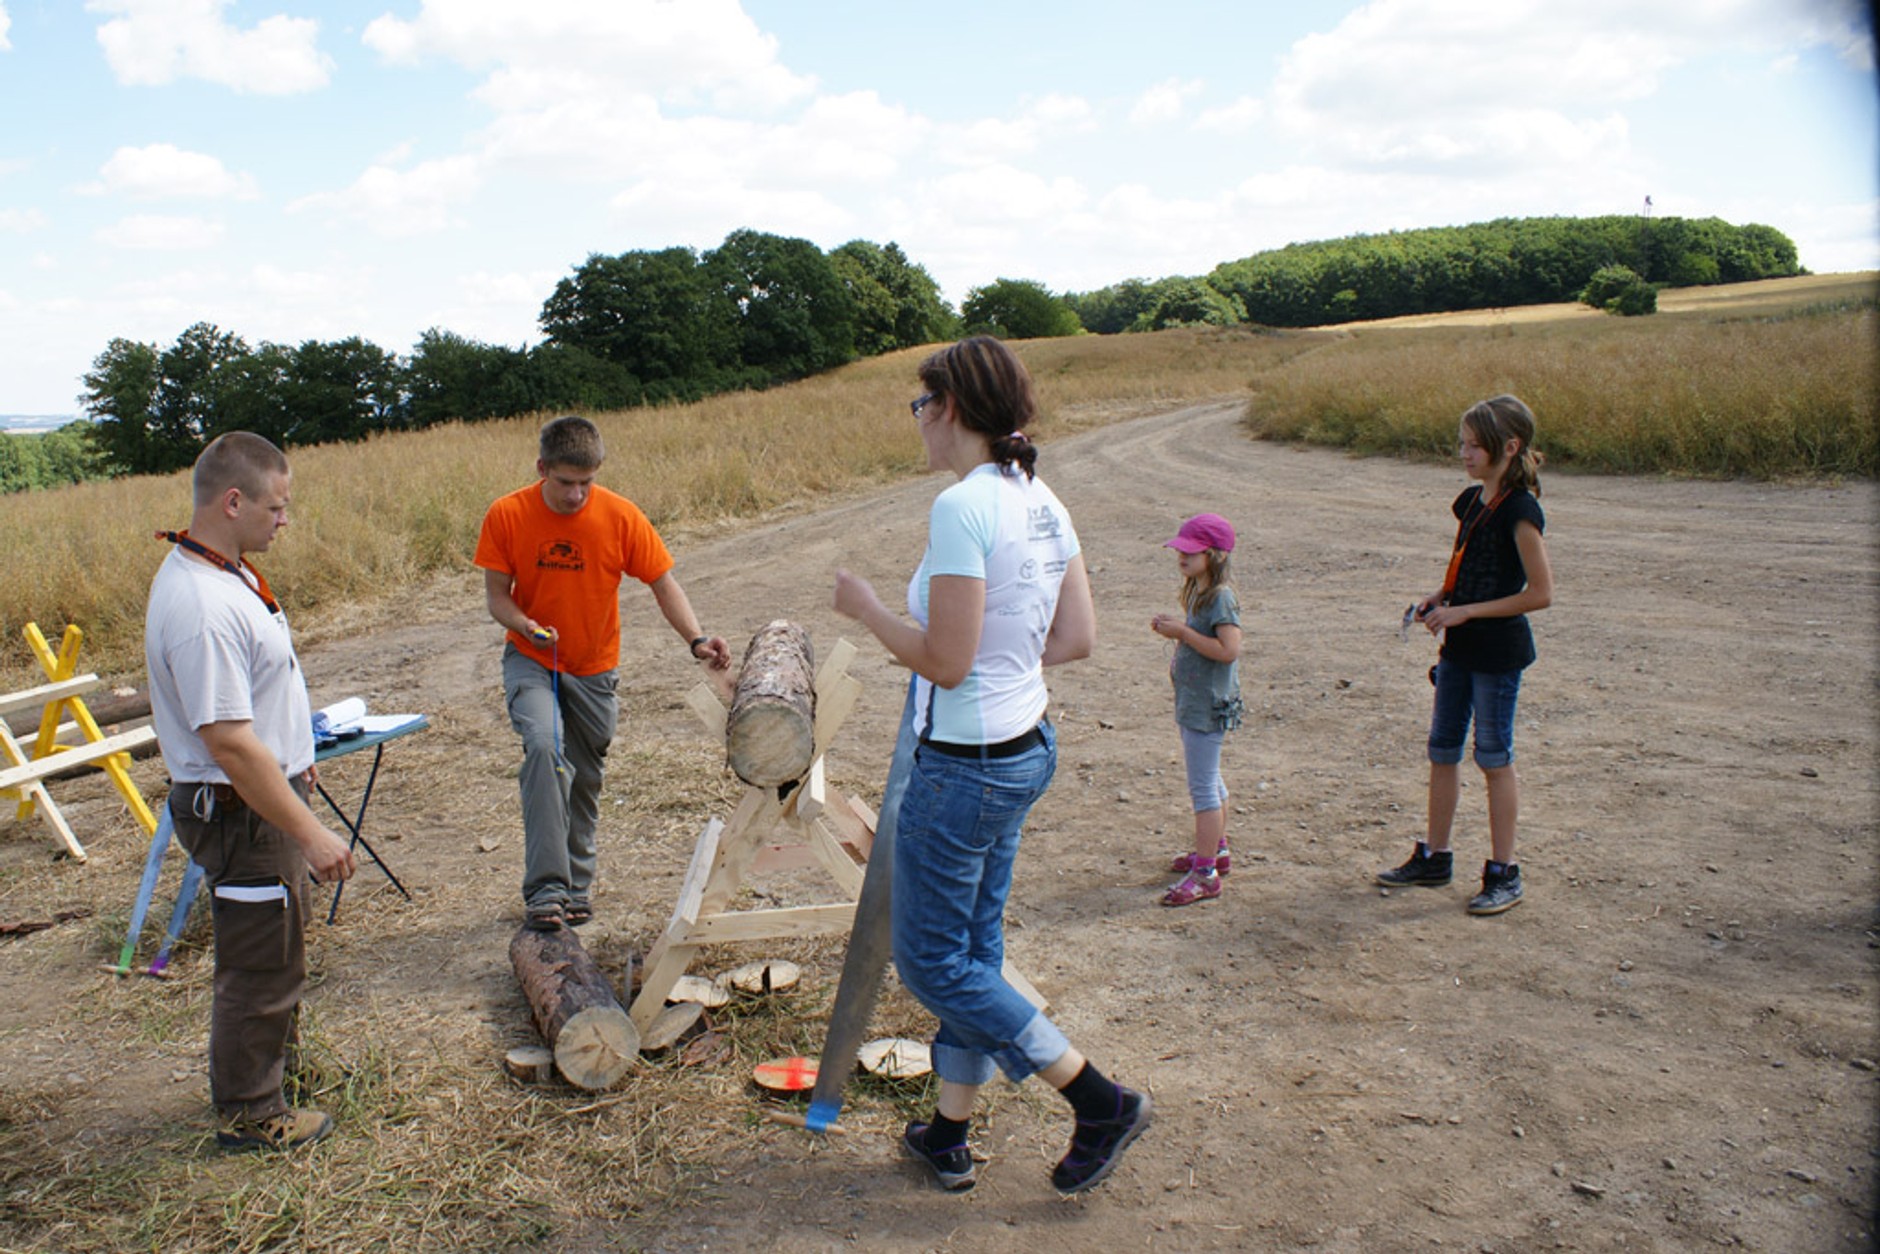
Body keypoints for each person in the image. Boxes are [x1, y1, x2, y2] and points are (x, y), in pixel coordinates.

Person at [833, 336, 1150, 1196]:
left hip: (965, 764)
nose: (918, 423)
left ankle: (1098, 1099)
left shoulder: (963, 507)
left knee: (934, 964)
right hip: (1025, 747)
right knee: (973, 947)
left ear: (954, 408)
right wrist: (1006, 665)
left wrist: (866, 610)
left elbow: (943, 660)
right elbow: (1075, 639)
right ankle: (948, 1133)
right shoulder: (1042, 497)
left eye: (920, 404)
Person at [145, 432, 358, 1152]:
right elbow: (230, 743)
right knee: (259, 962)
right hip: (241, 813)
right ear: (233, 501)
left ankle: (276, 1076)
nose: (285, 519)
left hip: (262, 798)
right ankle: (249, 1113)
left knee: (279, 948)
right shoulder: (202, 605)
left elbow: (258, 704)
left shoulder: (224, 570)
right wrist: (310, 829)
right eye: (277, 505)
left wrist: (298, 756)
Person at [475, 415, 731, 932]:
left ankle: (576, 887)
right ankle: (546, 889)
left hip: (594, 667)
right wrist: (525, 624)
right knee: (546, 750)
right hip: (533, 659)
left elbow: (663, 584)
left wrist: (697, 640)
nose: (576, 495)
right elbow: (497, 597)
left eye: (586, 483)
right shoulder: (506, 515)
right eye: (565, 482)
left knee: (586, 777)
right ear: (542, 468)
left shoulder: (620, 516)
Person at [1379, 395, 1554, 915]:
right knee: (1443, 751)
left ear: (1510, 446)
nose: (1465, 454)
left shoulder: (1521, 509)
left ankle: (1504, 871)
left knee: (1493, 758)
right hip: (1460, 648)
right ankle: (1436, 855)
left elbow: (1540, 593)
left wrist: (1466, 613)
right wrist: (1442, 597)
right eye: (1462, 444)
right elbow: (1470, 569)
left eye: (1475, 446)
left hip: (1496, 653)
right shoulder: (1473, 502)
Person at [1151, 512, 1243, 907]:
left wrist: (1183, 633)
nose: (1181, 557)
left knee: (1203, 789)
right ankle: (1217, 850)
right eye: (1181, 551)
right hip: (1194, 703)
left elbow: (1228, 650)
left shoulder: (1220, 598)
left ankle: (1204, 873)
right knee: (1212, 780)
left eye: (1191, 552)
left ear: (1215, 555)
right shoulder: (1200, 593)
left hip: (1206, 705)